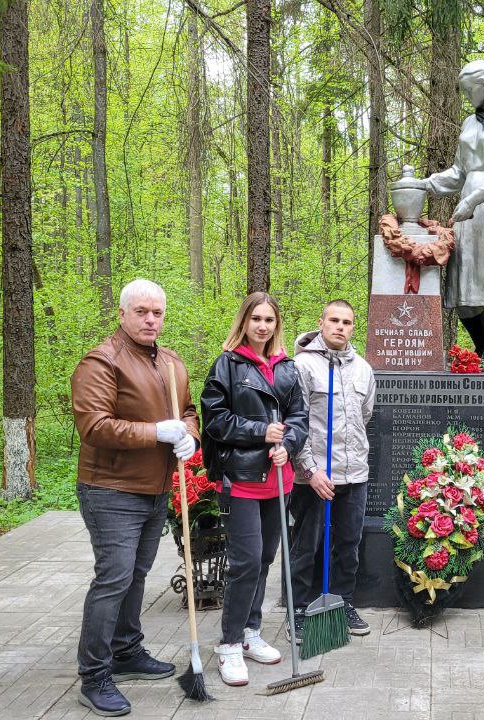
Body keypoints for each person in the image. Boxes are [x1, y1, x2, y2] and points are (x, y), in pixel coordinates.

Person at [70, 278, 199, 716]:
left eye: (157, 312)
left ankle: (127, 650)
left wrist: (190, 438)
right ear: (123, 314)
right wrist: (156, 433)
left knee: (137, 575)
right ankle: (95, 674)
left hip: (156, 488)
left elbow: (187, 412)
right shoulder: (102, 361)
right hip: (110, 489)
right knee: (114, 578)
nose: (150, 320)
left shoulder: (171, 363)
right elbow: (95, 426)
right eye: (141, 311)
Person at [200, 291, 309, 687]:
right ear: (244, 322)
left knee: (263, 560)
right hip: (243, 479)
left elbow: (299, 416)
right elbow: (216, 420)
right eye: (256, 319)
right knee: (244, 562)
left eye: (269, 320)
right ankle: (228, 643)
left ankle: (250, 632)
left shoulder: (287, 369)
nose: (262, 326)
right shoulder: (227, 365)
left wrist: (289, 443)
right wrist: (261, 433)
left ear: (277, 325)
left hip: (279, 481)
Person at [393, 58, 484, 364]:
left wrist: (475, 198)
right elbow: (458, 171)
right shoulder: (469, 123)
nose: (468, 97)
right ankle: (480, 348)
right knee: (465, 283)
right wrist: (424, 184)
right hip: (468, 208)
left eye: (471, 91)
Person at [288, 299, 377, 639]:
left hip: (353, 476)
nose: (341, 327)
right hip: (313, 479)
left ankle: (343, 602)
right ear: (321, 322)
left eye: (347, 322)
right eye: (334, 320)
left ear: (354, 327)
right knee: (306, 546)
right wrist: (310, 471)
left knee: (347, 544)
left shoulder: (363, 370)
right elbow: (295, 423)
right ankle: (297, 608)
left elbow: (364, 416)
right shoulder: (302, 366)